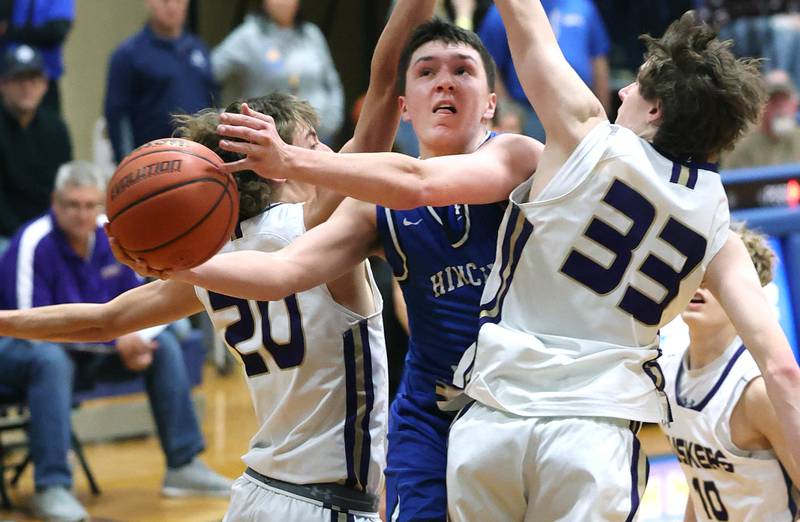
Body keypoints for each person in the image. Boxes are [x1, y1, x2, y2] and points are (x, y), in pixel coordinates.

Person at [199, 4, 800, 521]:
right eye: (428, 72)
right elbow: (782, 368)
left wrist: (287, 172)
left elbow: (422, 164)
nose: (620, 90)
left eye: (637, 85)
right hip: (586, 428)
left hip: (495, 416)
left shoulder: (577, 142)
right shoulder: (715, 222)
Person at [0, 1, 435, 519]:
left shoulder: (214, 260)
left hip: (254, 497)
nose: (331, 153)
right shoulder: (324, 225)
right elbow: (385, 83)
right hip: (326, 503)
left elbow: (104, 320)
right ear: (273, 161)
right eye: (312, 143)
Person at [139, 18, 543, 521]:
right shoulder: (363, 207)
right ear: (405, 108)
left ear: (491, 104)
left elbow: (415, 179)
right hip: (427, 413)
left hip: (527, 403)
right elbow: (286, 271)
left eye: (463, 70)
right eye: (426, 72)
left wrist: (288, 164)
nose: (444, 81)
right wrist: (184, 266)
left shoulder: (519, 157)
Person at [0, 160, 231, 522]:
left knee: (165, 346)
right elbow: (31, 329)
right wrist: (115, 341)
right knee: (49, 359)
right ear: (55, 203)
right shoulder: (32, 242)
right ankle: (52, 486)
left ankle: (183, 466)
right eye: (72, 205)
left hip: (88, 350)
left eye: (90, 205)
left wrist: (132, 338)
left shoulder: (111, 240)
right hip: (23, 352)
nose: (82, 214)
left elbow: (143, 303)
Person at [660, 225, 799, 522]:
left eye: (714, 280)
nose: (699, 286)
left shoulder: (756, 391)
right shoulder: (667, 375)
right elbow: (701, 481)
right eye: (694, 273)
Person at [211, 0, 344, 142]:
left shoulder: (311, 34)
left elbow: (332, 82)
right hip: (274, 136)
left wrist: (332, 120)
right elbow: (209, 71)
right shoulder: (249, 36)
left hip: (319, 133)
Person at [478, 0, 611, 141]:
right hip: (527, 110)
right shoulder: (507, 8)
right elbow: (487, 62)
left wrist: (604, 115)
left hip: (581, 109)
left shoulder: (582, 5)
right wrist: (506, 108)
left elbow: (598, 61)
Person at [104, 0, 217, 163]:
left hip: (199, 159)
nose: (172, 6)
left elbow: (213, 107)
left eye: (178, 1)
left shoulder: (200, 49)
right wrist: (127, 162)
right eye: (165, 1)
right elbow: (117, 117)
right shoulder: (127, 55)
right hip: (152, 163)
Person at [0, 44, 71, 247]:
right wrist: (25, 238)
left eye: (33, 79)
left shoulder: (56, 128)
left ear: (45, 85)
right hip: (6, 235)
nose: (27, 87)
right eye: (18, 79)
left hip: (48, 230)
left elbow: (62, 186)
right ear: (3, 84)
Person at [0, 0, 74, 114]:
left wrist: (11, 32)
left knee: (48, 127)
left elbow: (56, 31)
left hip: (44, 77)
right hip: (8, 77)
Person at [722, 69, 800, 169]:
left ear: (794, 104)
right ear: (761, 106)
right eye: (774, 100)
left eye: (784, 100)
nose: (781, 107)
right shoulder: (743, 146)